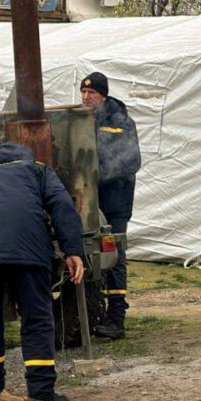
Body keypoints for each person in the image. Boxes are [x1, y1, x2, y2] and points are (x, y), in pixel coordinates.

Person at [0, 142, 86, 401]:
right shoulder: (37, 169)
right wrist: (72, 249)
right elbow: (61, 204)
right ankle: (41, 395)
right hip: (27, 247)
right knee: (37, 318)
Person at [79, 72, 141, 340]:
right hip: (89, 203)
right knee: (89, 255)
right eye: (83, 92)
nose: (85, 97)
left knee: (114, 257)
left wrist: (98, 175)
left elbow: (131, 161)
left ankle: (117, 317)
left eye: (91, 93)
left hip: (115, 202)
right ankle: (95, 314)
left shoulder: (121, 122)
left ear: (103, 95)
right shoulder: (81, 121)